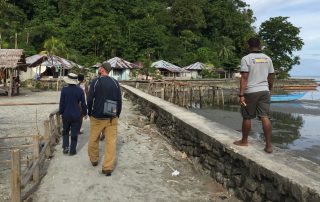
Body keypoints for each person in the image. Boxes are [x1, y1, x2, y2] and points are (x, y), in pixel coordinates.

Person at [234, 37, 275, 153]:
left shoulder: (246, 59)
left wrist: (241, 95)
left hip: (250, 92)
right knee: (265, 117)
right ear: (260, 45)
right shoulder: (267, 58)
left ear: (249, 46)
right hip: (264, 91)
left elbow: (244, 77)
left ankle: (244, 141)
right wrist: (269, 89)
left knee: (247, 116)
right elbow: (271, 76)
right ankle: (268, 146)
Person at [87, 62, 122, 176]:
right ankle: (107, 167)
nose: (99, 69)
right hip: (112, 117)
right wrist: (117, 114)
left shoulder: (95, 81)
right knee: (111, 143)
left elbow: (90, 99)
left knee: (93, 139)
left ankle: (94, 160)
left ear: (102, 69)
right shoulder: (115, 82)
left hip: (97, 116)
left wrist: (89, 112)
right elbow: (119, 100)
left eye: (99, 68)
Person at [59, 73, 87, 155]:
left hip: (66, 114)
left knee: (65, 131)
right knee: (74, 132)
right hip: (76, 114)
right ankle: (72, 150)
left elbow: (62, 103)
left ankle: (65, 147)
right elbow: (83, 104)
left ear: (68, 81)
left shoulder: (64, 90)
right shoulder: (80, 90)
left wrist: (61, 112)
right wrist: (85, 113)